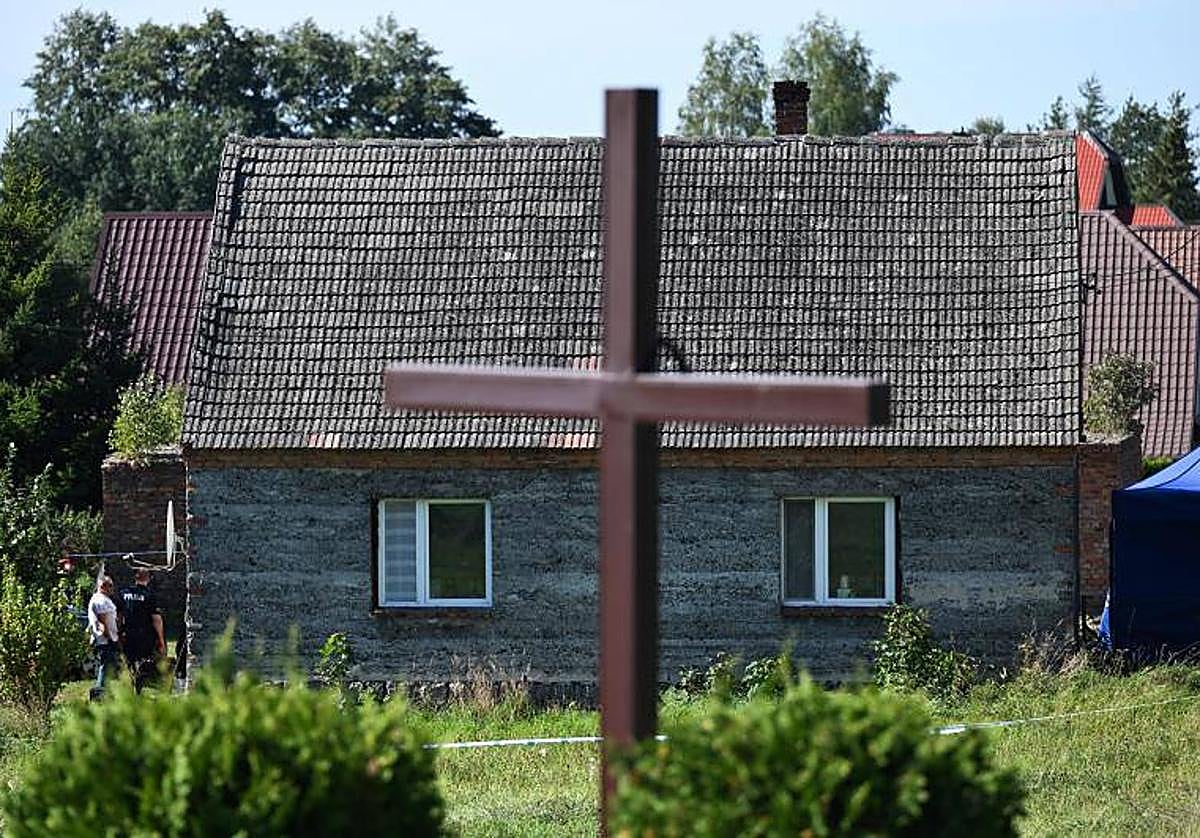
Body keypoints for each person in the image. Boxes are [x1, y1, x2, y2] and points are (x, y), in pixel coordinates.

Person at [118, 569, 166, 693]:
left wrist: (119, 632)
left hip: (128, 634)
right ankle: (138, 687)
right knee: (144, 662)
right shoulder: (149, 595)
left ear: (135, 577)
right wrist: (161, 640)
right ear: (148, 579)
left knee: (129, 662)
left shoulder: (124, 593)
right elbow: (156, 619)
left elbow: (119, 615)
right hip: (144, 635)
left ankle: (130, 685)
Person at [87, 575, 120, 700]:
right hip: (105, 639)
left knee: (108, 666)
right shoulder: (99, 600)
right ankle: (99, 693)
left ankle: (104, 691)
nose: (112, 588)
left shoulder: (105, 599)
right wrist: (109, 637)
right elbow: (102, 622)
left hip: (109, 638)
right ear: (103, 586)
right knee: (105, 666)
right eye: (110, 585)